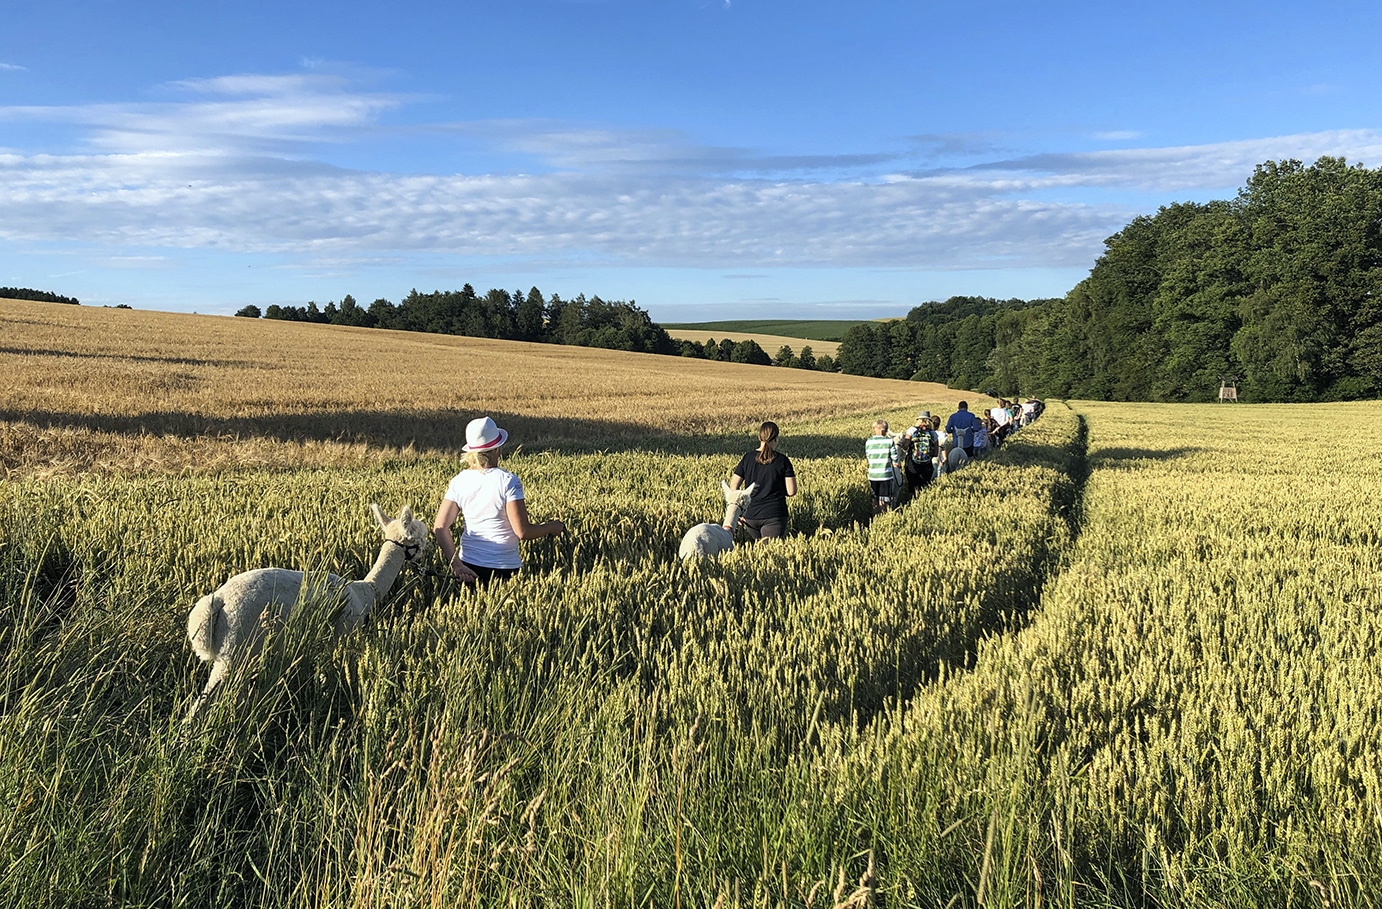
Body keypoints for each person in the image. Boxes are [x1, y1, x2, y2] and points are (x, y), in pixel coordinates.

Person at [433, 416, 565, 585]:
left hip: (468, 568)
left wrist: (457, 565)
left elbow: (440, 527)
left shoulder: (459, 481)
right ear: (497, 449)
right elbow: (522, 532)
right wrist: (550, 527)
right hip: (504, 569)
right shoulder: (508, 481)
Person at [729, 421, 797, 540]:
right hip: (774, 514)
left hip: (751, 515)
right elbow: (791, 491)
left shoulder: (747, 458)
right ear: (776, 438)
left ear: (759, 437)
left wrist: (738, 511)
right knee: (770, 553)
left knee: (759, 552)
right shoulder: (782, 460)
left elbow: (733, 487)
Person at [865, 419, 897, 515]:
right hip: (885, 475)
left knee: (875, 499)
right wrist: (896, 463)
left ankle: (874, 517)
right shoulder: (889, 441)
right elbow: (894, 457)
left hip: (873, 475)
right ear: (886, 430)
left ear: (874, 429)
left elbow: (868, 456)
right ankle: (883, 518)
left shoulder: (869, 441)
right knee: (884, 500)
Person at [904, 411, 936, 492]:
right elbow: (935, 453)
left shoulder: (911, 430)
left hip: (912, 464)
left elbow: (905, 446)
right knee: (924, 487)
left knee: (912, 487)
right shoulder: (933, 433)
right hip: (927, 465)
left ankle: (911, 499)